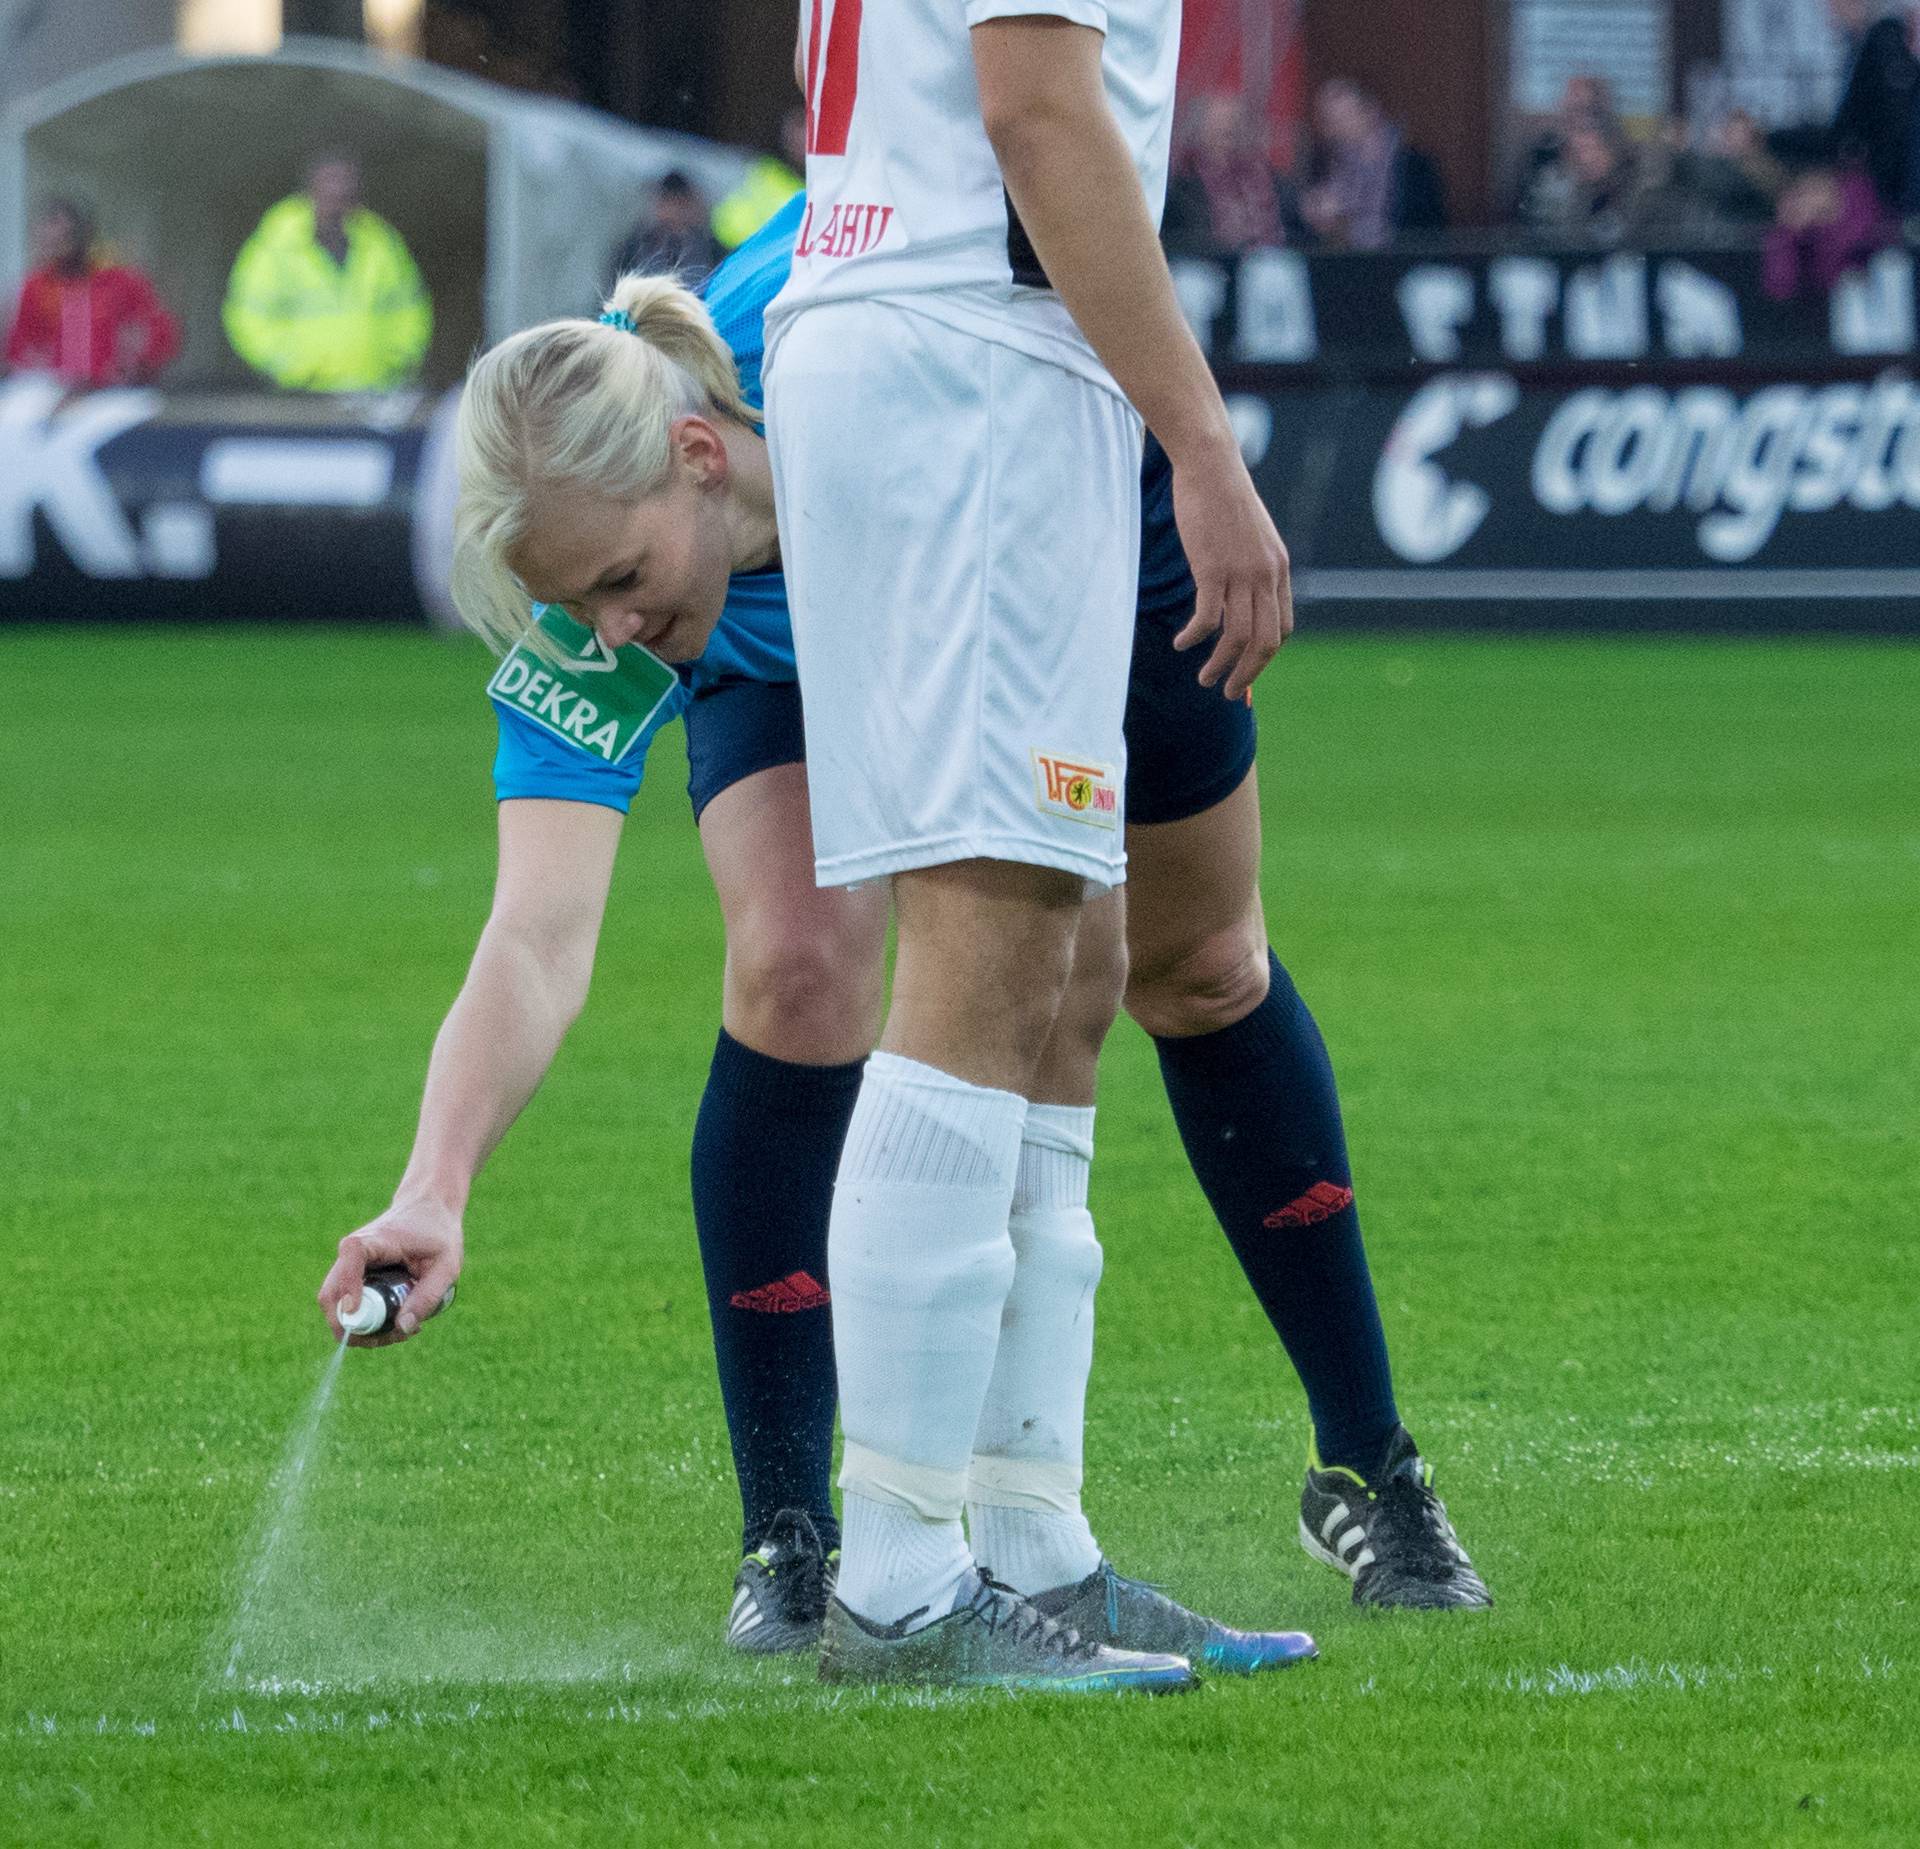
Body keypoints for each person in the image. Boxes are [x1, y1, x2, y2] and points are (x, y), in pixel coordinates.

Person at [318, 195, 1486, 1682]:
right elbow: (537, 931)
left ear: (697, 457)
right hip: (785, 628)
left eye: (617, 583)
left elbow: (1060, 207)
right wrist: (439, 1183)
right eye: (572, 604)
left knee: (1186, 968)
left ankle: (1363, 1465)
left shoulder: (855, 343)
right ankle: (799, 1537)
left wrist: (1202, 452)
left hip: (1062, 508)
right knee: (799, 966)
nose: (601, 630)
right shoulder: (604, 617)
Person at [223, 153, 432, 392]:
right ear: (310, 187)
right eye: (331, 181)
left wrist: (395, 362)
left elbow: (411, 309)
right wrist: (289, 367)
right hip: (301, 395)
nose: (338, 191)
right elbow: (246, 316)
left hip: (372, 392)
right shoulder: (276, 243)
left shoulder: (381, 243)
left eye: (346, 183)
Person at [4, 199, 181, 388]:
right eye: (49, 241)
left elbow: (163, 336)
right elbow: (19, 349)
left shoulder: (122, 282)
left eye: (65, 238)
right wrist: (32, 363)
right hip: (54, 395)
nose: (56, 247)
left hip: (112, 394)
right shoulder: (36, 287)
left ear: (85, 236)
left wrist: (139, 356)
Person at [1768, 0, 1920, 215]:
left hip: (1893, 196)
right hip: (1890, 194)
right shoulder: (1867, 47)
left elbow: (1849, 130)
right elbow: (1846, 130)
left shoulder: (1884, 43)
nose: (1828, 11)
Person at [1299, 79, 1447, 250]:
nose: (1333, 129)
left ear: (1370, 112)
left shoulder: (1413, 165)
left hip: (1401, 261)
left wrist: (1349, 221)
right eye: (1328, 120)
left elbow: (1427, 227)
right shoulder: (1321, 161)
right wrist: (1313, 217)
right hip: (1340, 264)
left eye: (1343, 118)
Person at [1163, 93, 1295, 255]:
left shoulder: (1265, 174)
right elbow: (1181, 233)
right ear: (1201, 130)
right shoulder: (1184, 179)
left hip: (1264, 254)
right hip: (1207, 258)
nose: (1227, 129)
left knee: (1271, 269)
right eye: (1219, 125)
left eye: (1232, 124)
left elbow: (1291, 222)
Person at [710, 108, 807, 251]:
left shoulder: (823, 178)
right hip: (753, 253)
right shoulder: (764, 173)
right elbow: (727, 222)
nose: (802, 143)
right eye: (796, 137)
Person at [610, 172, 723, 288]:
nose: (674, 212)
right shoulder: (633, 249)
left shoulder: (711, 250)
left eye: (680, 204)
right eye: (668, 203)